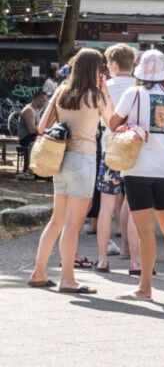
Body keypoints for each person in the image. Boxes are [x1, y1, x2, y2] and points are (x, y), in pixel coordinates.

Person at [109, 49, 164, 300]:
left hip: (137, 170)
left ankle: (145, 287)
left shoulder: (133, 93)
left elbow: (113, 125)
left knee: (146, 232)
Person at [28, 49, 115, 293]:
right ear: (95, 70)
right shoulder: (96, 97)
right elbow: (113, 123)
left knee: (56, 221)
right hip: (83, 160)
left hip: (60, 159)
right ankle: (68, 279)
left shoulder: (61, 92)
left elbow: (42, 127)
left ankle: (39, 272)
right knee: (73, 224)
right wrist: (106, 91)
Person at [95, 44, 136, 272]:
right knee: (134, 205)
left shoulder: (105, 88)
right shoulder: (140, 88)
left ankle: (102, 259)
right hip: (135, 153)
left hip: (109, 152)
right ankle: (133, 258)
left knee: (106, 207)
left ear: (113, 64)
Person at [17, 91, 48, 180]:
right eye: (43, 101)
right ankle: (32, 171)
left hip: (32, 136)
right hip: (26, 139)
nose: (44, 103)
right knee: (43, 143)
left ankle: (42, 171)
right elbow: (31, 130)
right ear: (38, 98)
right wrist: (44, 126)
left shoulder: (36, 110)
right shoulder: (29, 110)